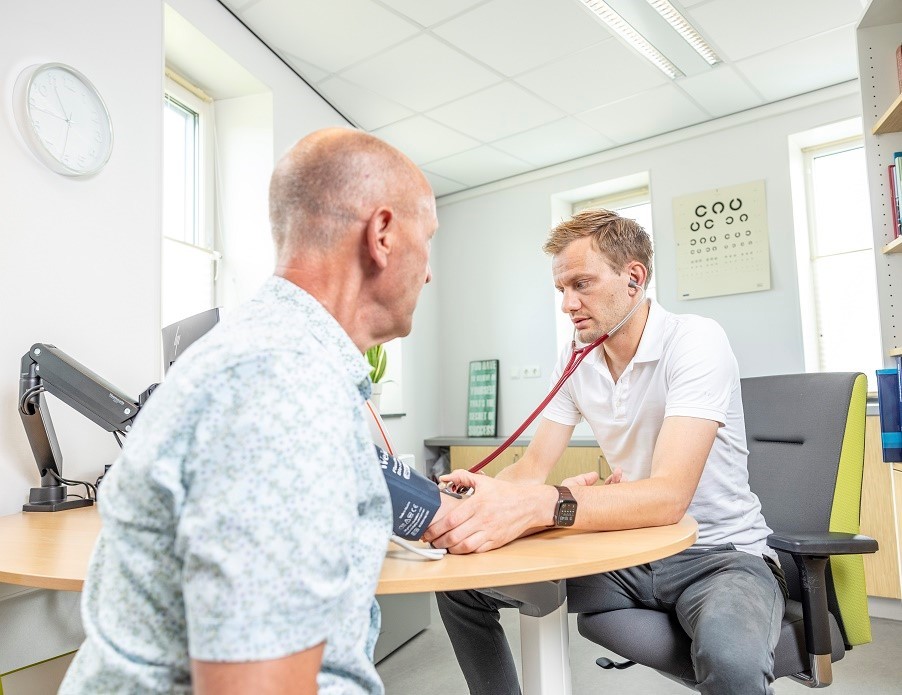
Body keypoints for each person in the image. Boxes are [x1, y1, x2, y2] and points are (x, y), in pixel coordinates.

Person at [60, 128, 453, 695]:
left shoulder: (277, 356)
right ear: (383, 234)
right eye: (428, 239)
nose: (430, 271)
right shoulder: (283, 382)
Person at [424, 208, 787, 695]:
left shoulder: (695, 340)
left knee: (731, 662)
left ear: (633, 278)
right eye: (561, 289)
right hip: (631, 553)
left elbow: (668, 498)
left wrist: (546, 504)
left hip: (719, 554)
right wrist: (469, 502)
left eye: (581, 284)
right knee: (460, 585)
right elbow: (531, 469)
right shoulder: (576, 358)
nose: (567, 304)